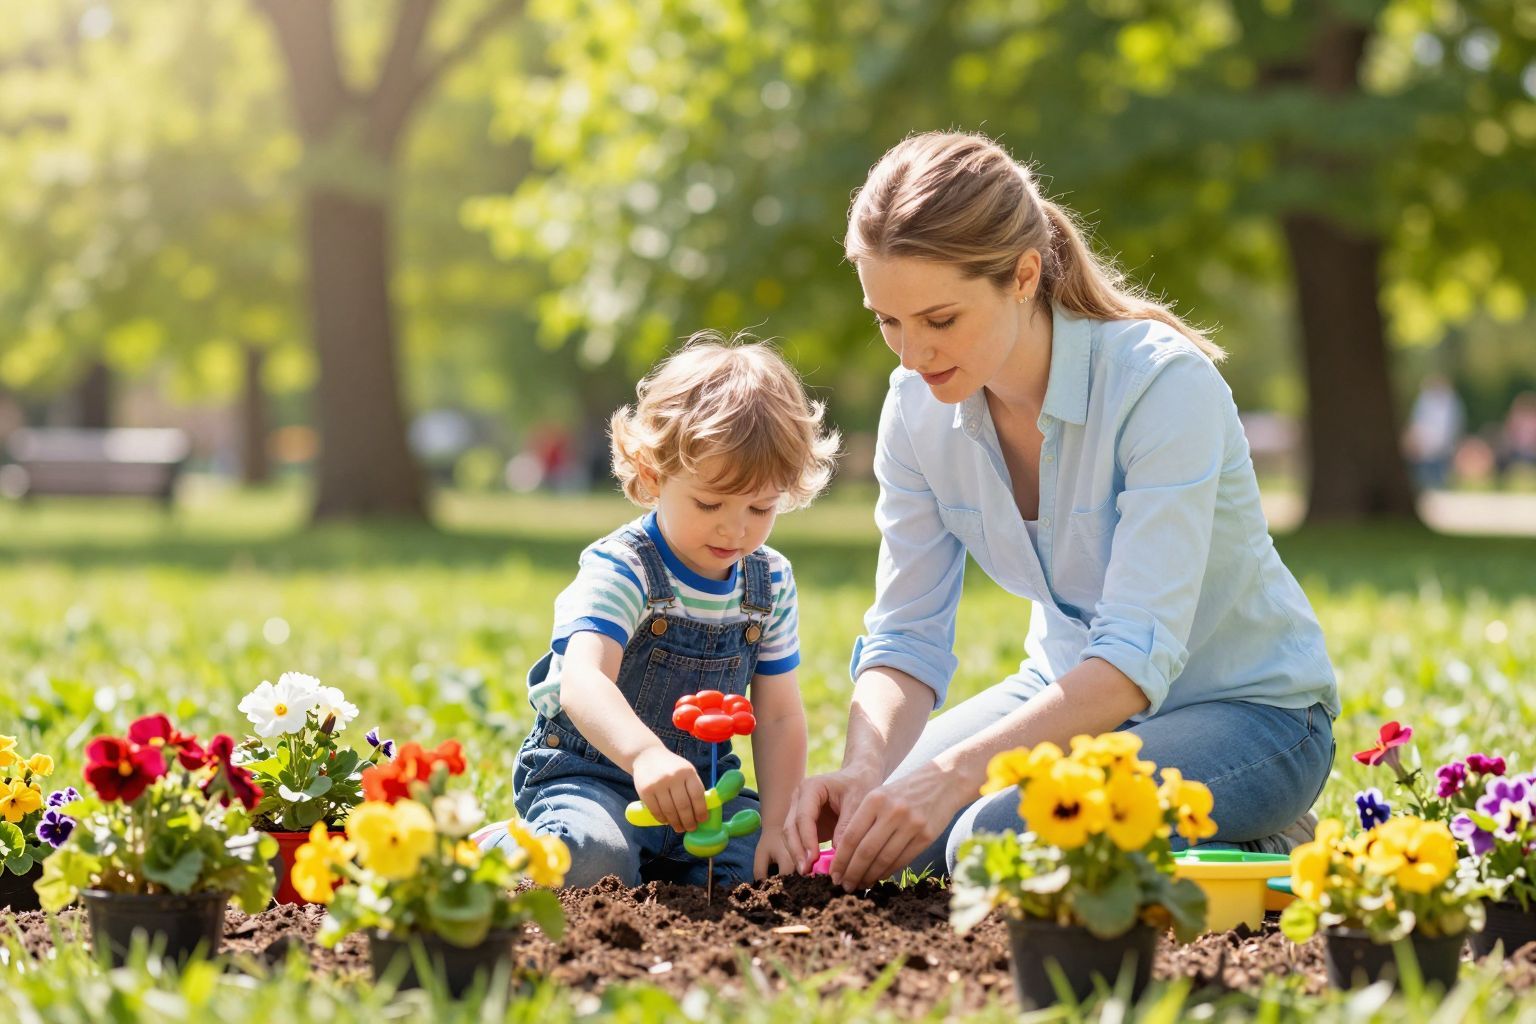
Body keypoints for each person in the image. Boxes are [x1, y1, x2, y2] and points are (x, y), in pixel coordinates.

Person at [783, 132, 1339, 891]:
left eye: (940, 320)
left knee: (992, 838)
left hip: (1250, 717)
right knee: (871, 828)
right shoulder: (915, 409)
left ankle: (1261, 838)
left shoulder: (1160, 386)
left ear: (1023, 275)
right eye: (888, 320)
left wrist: (954, 775)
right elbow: (906, 636)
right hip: (1067, 698)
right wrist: (863, 767)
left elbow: (1130, 663)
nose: (911, 354)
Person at [474, 334, 839, 888]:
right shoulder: (624, 568)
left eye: (760, 507)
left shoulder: (769, 582)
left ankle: (665, 863)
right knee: (592, 859)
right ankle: (494, 849)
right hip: (596, 778)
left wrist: (779, 824)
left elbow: (782, 715)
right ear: (652, 475)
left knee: (759, 873)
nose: (735, 528)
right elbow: (583, 681)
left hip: (704, 795)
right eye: (709, 502)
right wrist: (644, 755)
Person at [1403, 374, 1464, 490]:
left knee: (1439, 466)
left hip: (1442, 442)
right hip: (1427, 440)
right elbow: (1418, 420)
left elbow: (1453, 424)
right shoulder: (1425, 400)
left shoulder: (1450, 401)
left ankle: (1438, 483)